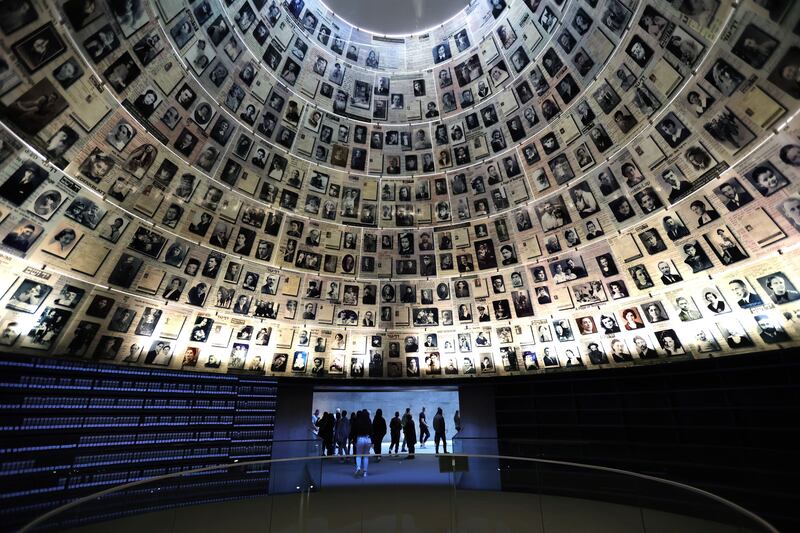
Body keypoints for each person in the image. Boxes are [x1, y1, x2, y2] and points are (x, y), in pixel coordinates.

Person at [353, 410, 372, 478]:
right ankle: (365, 472)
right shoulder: (369, 421)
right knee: (366, 456)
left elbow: (354, 431)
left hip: (360, 438)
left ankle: (358, 467)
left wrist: (354, 440)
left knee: (358, 455)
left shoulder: (358, 421)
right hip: (368, 439)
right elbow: (371, 431)